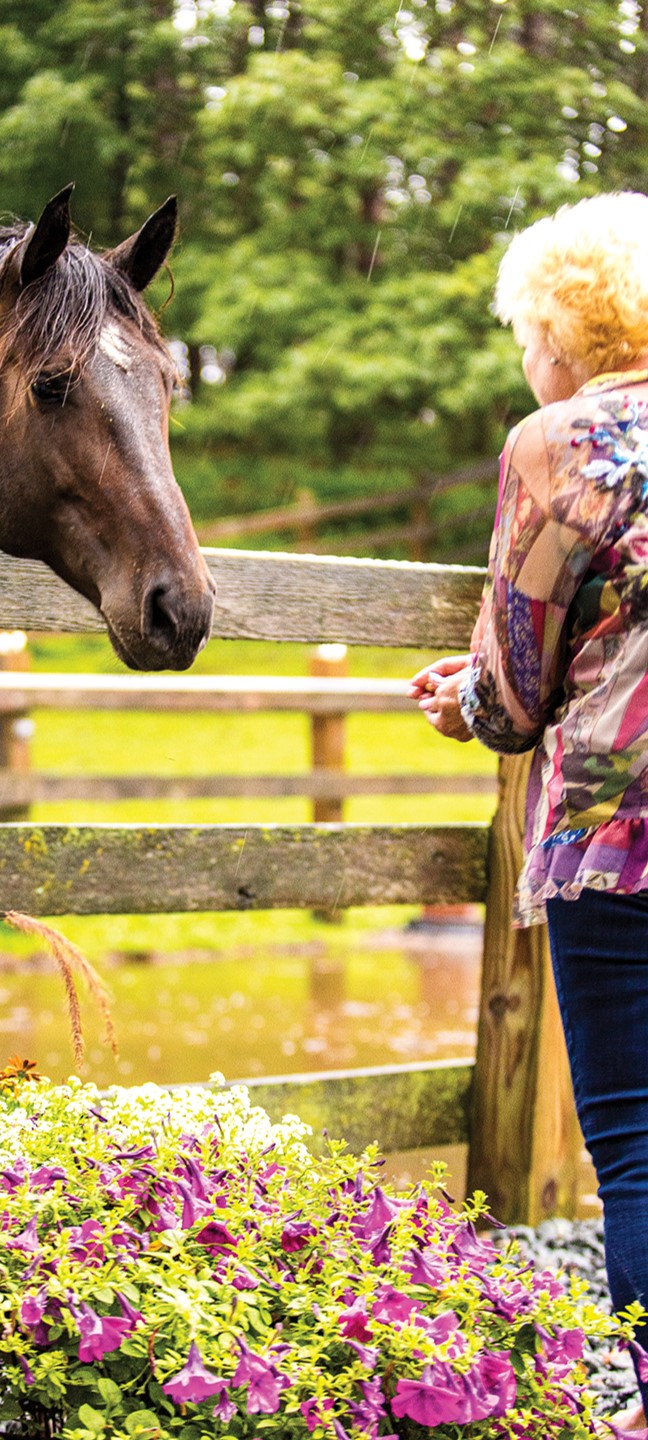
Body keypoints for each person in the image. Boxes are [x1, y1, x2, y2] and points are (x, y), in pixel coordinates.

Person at [409, 190, 648, 1433]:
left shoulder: (558, 446)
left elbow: (516, 688)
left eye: (524, 333)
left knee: (640, 1146)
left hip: (623, 844)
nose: (525, 358)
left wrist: (467, 703)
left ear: (566, 326)